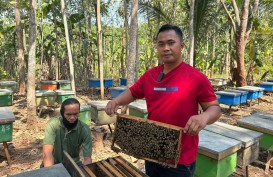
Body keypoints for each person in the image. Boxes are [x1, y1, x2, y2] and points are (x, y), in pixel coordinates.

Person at [105, 24, 221, 177]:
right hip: (152, 151)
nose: (166, 48)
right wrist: (116, 101)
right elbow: (133, 92)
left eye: (171, 43)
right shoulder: (150, 75)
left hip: (181, 159)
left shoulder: (196, 78)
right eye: (161, 44)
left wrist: (204, 117)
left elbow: (215, 108)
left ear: (182, 46)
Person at [42, 98, 92, 167]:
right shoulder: (53, 124)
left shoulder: (84, 129)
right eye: (68, 114)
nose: (72, 117)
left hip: (74, 164)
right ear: (62, 113)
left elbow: (87, 159)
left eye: (75, 114)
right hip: (54, 163)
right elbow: (47, 153)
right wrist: (51, 172)